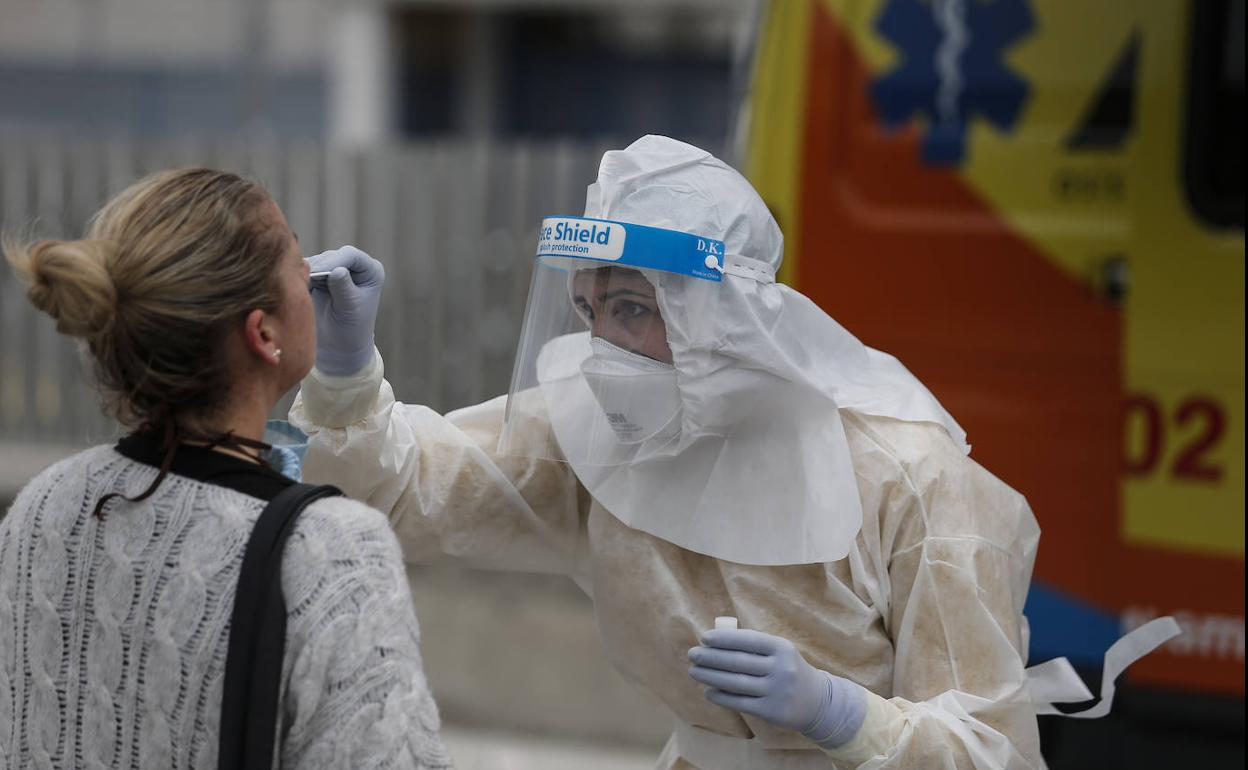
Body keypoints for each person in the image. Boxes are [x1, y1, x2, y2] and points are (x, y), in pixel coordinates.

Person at [291, 136, 1157, 770]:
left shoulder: (908, 475)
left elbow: (992, 752)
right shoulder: (594, 432)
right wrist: (342, 373)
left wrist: (843, 716)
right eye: (590, 311)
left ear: (724, 317)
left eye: (633, 309)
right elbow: (397, 495)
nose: (603, 350)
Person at [0, 169, 452, 769]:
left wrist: (346, 383)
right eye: (296, 255)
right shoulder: (332, 553)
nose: (309, 272)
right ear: (263, 332)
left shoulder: (44, 505)